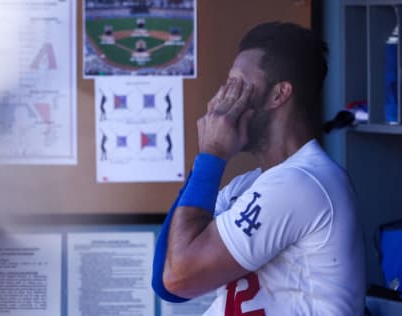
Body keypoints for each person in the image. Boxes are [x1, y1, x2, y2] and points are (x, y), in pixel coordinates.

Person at [152, 22, 365, 315]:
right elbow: (166, 282)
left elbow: (180, 277)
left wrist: (211, 156)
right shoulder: (248, 185)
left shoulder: (303, 182)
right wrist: (204, 164)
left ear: (279, 95)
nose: (223, 101)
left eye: (237, 84)